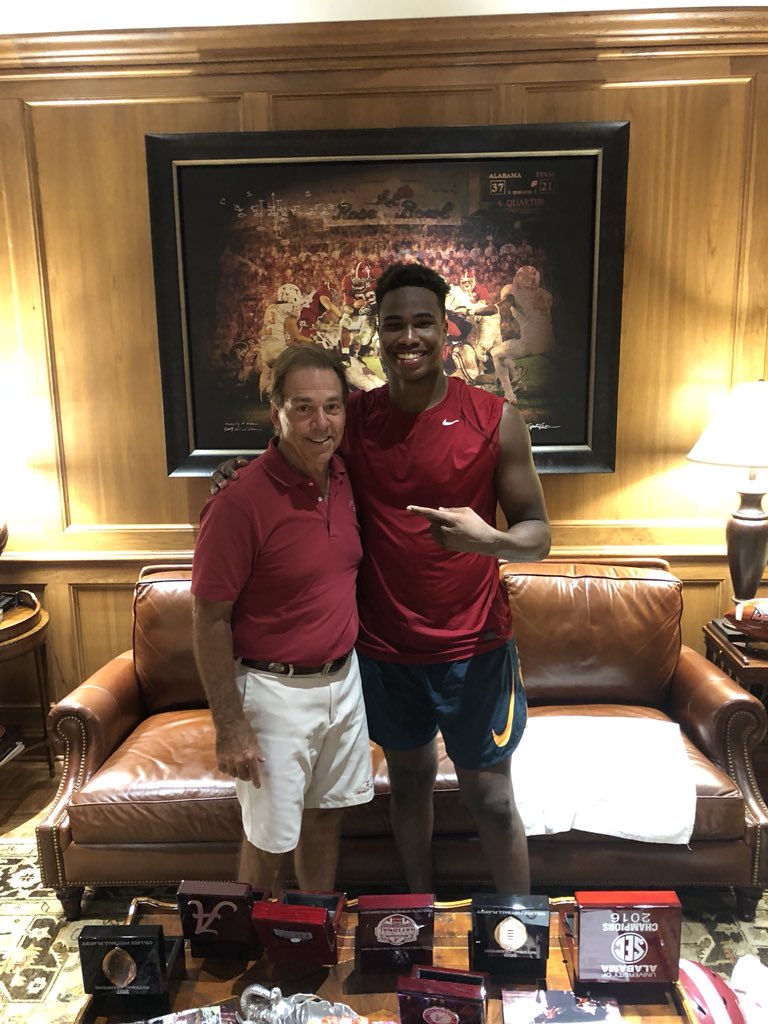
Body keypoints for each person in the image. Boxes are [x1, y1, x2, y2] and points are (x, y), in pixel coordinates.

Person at [213, 261, 550, 894]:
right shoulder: (355, 419)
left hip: (476, 648)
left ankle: (518, 929)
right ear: (379, 329)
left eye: (423, 322)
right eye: (395, 324)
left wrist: (493, 541)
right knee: (410, 787)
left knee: (492, 798)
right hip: (385, 651)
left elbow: (539, 534)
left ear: (446, 327)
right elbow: (294, 453)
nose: (409, 337)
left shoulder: (494, 419)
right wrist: (236, 471)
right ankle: (416, 910)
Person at [191, 345, 373, 895]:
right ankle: (255, 941)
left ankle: (312, 930)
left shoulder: (345, 476)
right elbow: (209, 619)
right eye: (303, 408)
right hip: (272, 692)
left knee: (325, 819)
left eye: (332, 407)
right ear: (277, 412)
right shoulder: (238, 502)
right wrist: (229, 724)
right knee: (269, 840)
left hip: (344, 682)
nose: (321, 423)